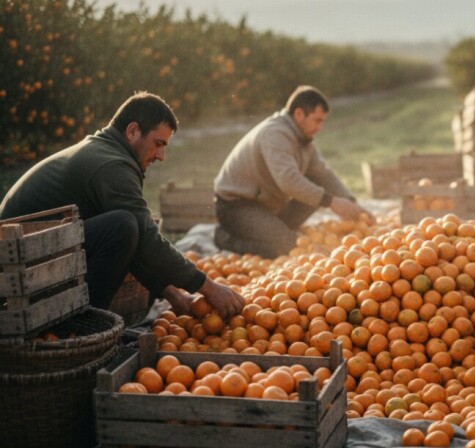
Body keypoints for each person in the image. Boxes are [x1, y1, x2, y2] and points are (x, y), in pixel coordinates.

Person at [0, 92, 244, 318]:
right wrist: (208, 287)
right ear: (132, 131)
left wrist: (173, 295)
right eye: (158, 144)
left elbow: (136, 242)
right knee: (123, 225)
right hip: (17, 265)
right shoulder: (111, 165)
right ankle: (86, 322)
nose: (161, 156)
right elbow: (142, 237)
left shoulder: (106, 152)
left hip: (34, 254)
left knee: (125, 225)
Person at [214, 85, 374, 258]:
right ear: (299, 114)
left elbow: (323, 174)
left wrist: (351, 202)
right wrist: (332, 202)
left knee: (314, 196)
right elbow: (288, 181)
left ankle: (271, 228)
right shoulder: (274, 134)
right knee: (288, 245)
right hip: (237, 207)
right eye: (317, 120)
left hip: (267, 206)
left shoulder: (304, 139)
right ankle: (225, 238)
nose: (320, 127)